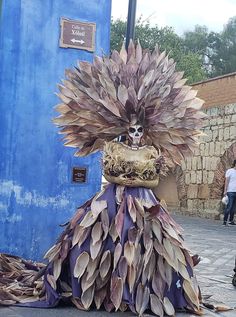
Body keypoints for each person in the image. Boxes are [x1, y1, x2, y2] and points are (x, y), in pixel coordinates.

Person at [0, 41, 206, 315]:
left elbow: (154, 179)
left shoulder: (152, 150)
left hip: (145, 202)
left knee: (146, 246)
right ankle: (100, 288)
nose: (134, 133)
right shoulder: (113, 147)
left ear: (145, 129)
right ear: (125, 128)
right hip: (113, 199)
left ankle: (140, 291)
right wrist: (129, 176)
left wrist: (141, 176)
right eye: (131, 129)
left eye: (139, 129)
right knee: (101, 239)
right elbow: (110, 173)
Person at [223, 159, 236, 226]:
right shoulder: (230, 171)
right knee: (229, 207)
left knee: (233, 208)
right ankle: (225, 221)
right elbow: (227, 181)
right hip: (230, 191)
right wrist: (225, 190)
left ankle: (231, 221)